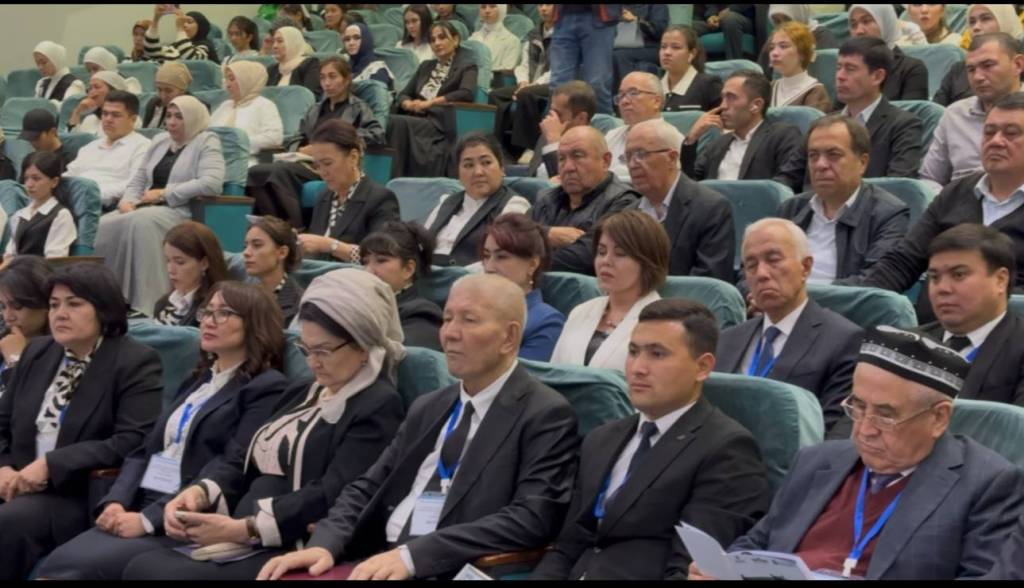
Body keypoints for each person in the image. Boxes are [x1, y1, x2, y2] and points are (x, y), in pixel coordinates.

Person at [256, 273, 579, 581]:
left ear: (509, 337)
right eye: (447, 318)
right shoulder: (430, 405)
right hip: (376, 558)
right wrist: (325, 543)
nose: (450, 333)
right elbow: (368, 485)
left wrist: (413, 556)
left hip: (445, 567)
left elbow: (530, 518)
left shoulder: (544, 413)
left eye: (469, 320)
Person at [121, 269, 406, 580]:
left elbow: (332, 492)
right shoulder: (304, 391)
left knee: (154, 572)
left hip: (293, 542)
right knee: (142, 567)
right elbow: (244, 459)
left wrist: (247, 528)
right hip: (242, 531)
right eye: (306, 350)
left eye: (323, 351)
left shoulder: (378, 404)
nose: (312, 362)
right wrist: (201, 491)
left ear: (363, 347)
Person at [692, 326, 1024, 580]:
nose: (864, 429)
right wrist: (723, 570)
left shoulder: (986, 485)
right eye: (858, 407)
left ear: (938, 418)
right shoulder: (817, 461)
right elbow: (756, 544)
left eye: (885, 415)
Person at [37, 282, 288, 580]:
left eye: (224, 313)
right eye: (207, 312)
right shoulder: (199, 381)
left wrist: (147, 520)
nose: (209, 321)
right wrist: (116, 501)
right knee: (62, 561)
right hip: (141, 501)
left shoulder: (266, 388)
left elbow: (230, 464)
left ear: (254, 323)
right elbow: (145, 449)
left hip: (184, 516)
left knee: (77, 567)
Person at [533, 298, 771, 580]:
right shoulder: (602, 438)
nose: (638, 368)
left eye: (657, 354)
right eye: (633, 352)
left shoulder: (727, 451)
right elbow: (566, 547)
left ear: (703, 367)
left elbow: (691, 568)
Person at [0, 264, 163, 580]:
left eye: (74, 304)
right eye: (54, 305)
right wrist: (3, 467)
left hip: (74, 493)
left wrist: (51, 464)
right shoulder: (38, 351)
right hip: (15, 481)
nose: (60, 314)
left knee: (8, 522)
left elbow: (132, 440)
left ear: (103, 309)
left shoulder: (134, 361)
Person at [854, 94, 1024, 314]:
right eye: (989, 132)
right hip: (933, 326)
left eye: (1012, 133)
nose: (996, 141)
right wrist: (859, 303)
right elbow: (904, 261)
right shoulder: (957, 192)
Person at [716, 218, 862, 433]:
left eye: (773, 260)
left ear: (806, 267)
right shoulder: (727, 340)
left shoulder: (843, 340)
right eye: (751, 265)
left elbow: (829, 433)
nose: (762, 274)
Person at [94, 95, 225, 314]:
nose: (171, 122)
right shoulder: (160, 141)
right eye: (169, 116)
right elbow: (139, 178)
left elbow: (211, 183)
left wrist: (165, 193)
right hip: (145, 206)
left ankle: (146, 303)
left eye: (179, 117)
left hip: (180, 209)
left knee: (141, 222)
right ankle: (110, 299)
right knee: (103, 224)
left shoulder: (206, 141)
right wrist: (127, 201)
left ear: (193, 118)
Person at [247, 58, 385, 229]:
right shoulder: (315, 109)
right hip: (305, 162)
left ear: (346, 79)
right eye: (323, 77)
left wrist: (333, 144)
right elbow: (298, 136)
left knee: (279, 172)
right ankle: (274, 225)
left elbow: (377, 133)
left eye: (332, 77)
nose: (327, 83)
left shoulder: (358, 108)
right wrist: (299, 149)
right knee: (255, 172)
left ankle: (297, 227)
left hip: (330, 163)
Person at [776, 115, 910, 284]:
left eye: (833, 155)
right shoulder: (791, 209)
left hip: (839, 302)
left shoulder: (888, 214)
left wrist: (799, 294)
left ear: (862, 163)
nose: (820, 165)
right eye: (813, 155)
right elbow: (754, 268)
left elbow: (878, 281)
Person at [915, 225, 1024, 405]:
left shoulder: (1018, 347)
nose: (942, 288)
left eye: (958, 275)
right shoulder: (908, 344)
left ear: (1000, 280)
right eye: (934, 277)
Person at [551, 210, 666, 372]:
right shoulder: (580, 311)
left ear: (647, 261)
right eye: (601, 252)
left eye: (620, 254)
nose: (606, 261)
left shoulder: (662, 323)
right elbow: (554, 374)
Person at [626, 119, 735, 282]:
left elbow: (709, 282)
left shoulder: (711, 208)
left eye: (641, 154)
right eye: (628, 156)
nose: (632, 164)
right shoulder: (628, 214)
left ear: (671, 158)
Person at [920, 33, 1024, 193]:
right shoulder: (954, 114)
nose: (978, 77)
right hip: (959, 203)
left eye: (988, 65)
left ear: (1018, 64)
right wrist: (946, 202)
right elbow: (929, 178)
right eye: (971, 69)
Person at [532, 125, 639, 275]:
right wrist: (547, 234)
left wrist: (524, 257)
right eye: (561, 158)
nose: (568, 167)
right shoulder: (546, 198)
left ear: (605, 161)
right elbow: (511, 237)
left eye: (578, 156)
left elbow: (584, 258)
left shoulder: (624, 202)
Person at [683, 70, 807, 192]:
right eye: (723, 98)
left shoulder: (782, 136)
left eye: (731, 98)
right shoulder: (717, 145)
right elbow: (688, 187)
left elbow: (784, 186)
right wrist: (691, 139)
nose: (723, 106)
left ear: (756, 105)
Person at [423, 132, 530, 266]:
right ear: (458, 173)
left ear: (502, 168)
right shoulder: (446, 202)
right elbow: (421, 245)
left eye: (486, 163)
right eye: (468, 165)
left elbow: (502, 260)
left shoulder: (513, 205)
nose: (478, 172)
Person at [297, 119, 400, 258]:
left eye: (327, 163)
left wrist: (331, 246)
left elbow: (381, 257)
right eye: (317, 166)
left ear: (353, 157)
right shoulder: (323, 197)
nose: (322, 172)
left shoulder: (381, 199)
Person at [388, 21, 479, 178]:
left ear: (455, 40)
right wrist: (408, 103)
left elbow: (466, 93)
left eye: (442, 37)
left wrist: (429, 103)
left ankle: (395, 177)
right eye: (432, 39)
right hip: (416, 115)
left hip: (438, 121)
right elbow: (404, 94)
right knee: (392, 120)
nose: (437, 43)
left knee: (396, 122)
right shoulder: (426, 66)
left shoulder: (467, 66)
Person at [480, 213, 565, 362]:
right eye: (487, 256)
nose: (489, 267)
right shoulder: (471, 308)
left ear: (532, 264)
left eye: (502, 257)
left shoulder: (547, 321)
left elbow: (522, 375)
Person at [835, 37, 924, 179]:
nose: (840, 76)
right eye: (838, 68)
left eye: (850, 69)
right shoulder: (824, 123)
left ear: (877, 76)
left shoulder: (903, 125)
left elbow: (899, 184)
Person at [360, 220, 443, 351]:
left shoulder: (422, 314)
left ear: (408, 269)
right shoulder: (361, 304)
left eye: (381, 260)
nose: (368, 271)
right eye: (365, 262)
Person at [65, 91, 153, 212]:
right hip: (72, 200)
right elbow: (69, 175)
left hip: (103, 207)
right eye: (105, 114)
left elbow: (134, 185)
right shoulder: (90, 147)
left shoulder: (142, 146)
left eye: (115, 115)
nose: (108, 119)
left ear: (133, 119)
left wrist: (90, 193)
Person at [490, 3, 554, 162]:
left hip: (552, 83)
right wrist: (523, 81)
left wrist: (533, 85)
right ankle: (499, 146)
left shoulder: (564, 35)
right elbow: (523, 64)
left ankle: (528, 147)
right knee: (496, 95)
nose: (543, 9)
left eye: (548, 5)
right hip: (530, 83)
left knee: (526, 94)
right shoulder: (533, 34)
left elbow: (558, 70)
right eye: (540, 5)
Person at [935, 4, 1024, 107]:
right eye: (972, 22)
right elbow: (937, 110)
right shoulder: (958, 69)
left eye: (986, 19)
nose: (976, 27)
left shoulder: (1018, 62)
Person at [152, 221, 229, 326]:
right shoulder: (162, 303)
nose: (170, 269)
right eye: (168, 260)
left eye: (180, 262)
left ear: (204, 263)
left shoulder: (213, 309)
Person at [3, 152, 76, 261]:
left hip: (40, 270)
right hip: (15, 269)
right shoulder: (19, 215)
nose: (29, 184)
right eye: (26, 178)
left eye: (36, 178)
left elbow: (54, 260)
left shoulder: (61, 215)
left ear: (54, 182)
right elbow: (9, 256)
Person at [548, 5, 621, 115]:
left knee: (597, 85)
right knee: (558, 85)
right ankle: (557, 125)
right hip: (563, 16)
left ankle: (603, 124)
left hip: (599, 18)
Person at [210, 61, 285, 166]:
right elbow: (208, 131)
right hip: (215, 161)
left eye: (232, 79)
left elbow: (274, 138)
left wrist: (238, 142)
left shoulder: (264, 105)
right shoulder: (225, 105)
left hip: (247, 161)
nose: (227, 85)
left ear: (247, 80)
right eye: (226, 80)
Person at [847, 4, 928, 101]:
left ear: (885, 23)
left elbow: (910, 110)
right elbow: (838, 109)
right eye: (853, 25)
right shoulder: (849, 67)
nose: (859, 31)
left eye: (866, 21)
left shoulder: (911, 69)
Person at [0, 257, 52, 399]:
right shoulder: (4, 341)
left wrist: (15, 360)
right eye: (3, 306)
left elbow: (30, 404)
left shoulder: (59, 353)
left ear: (45, 304)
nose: (8, 316)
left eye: (17, 306)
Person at [528, 80, 596, 180]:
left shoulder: (592, 147)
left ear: (581, 118)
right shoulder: (548, 134)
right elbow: (532, 178)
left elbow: (564, 182)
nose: (550, 120)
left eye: (558, 114)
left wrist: (554, 142)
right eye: (551, 113)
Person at [243, 216, 304, 326]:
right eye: (245, 246)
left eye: (257, 245)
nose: (246, 252)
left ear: (282, 253)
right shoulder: (242, 294)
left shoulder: (300, 304)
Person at [607, 71, 665, 181]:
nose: (624, 101)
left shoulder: (670, 139)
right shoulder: (611, 136)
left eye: (633, 93)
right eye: (621, 95)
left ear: (656, 101)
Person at [766, 21, 831, 112]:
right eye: (772, 48)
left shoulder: (815, 92)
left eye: (783, 46)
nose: (774, 53)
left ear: (802, 53)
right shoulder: (769, 88)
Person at [757, 5, 839, 76]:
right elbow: (761, 74)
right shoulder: (774, 39)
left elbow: (827, 73)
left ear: (799, 16)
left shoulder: (822, 36)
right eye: (777, 21)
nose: (783, 25)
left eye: (788, 20)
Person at [659, 25, 722, 113]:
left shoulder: (709, 85)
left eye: (676, 47)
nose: (667, 52)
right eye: (663, 47)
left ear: (692, 53)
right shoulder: (652, 85)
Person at [611, 5, 669, 91]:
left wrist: (636, 20)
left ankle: (628, 91)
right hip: (620, 44)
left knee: (620, 56)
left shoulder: (656, 6)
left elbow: (659, 31)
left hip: (650, 47)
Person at [66, 71, 132, 135]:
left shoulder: (127, 119)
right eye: (90, 88)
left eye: (97, 87)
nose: (92, 92)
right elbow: (72, 139)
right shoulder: (90, 120)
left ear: (114, 91)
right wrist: (77, 112)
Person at [145, 7, 219, 63]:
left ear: (200, 27)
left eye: (189, 22)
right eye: (183, 22)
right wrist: (156, 19)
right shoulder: (175, 46)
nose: (184, 25)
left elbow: (192, 62)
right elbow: (153, 53)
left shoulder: (205, 46)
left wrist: (180, 29)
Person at [266, 26, 321, 99]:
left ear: (292, 43)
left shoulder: (309, 64)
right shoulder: (272, 69)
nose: (274, 46)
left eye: (280, 41)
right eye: (274, 42)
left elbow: (311, 96)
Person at [31, 41, 85, 107]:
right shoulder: (41, 83)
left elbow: (67, 109)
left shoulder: (74, 84)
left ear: (55, 60)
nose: (40, 67)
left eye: (44, 62)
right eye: (37, 63)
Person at [343, 22, 395, 91]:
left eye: (356, 38)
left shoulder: (377, 70)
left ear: (366, 40)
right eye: (347, 39)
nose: (351, 43)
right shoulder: (344, 66)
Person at [470, 4, 521, 73]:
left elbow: (506, 71)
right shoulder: (472, 39)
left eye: (492, 6)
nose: (487, 10)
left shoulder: (512, 41)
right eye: (483, 7)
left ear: (501, 10)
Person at [142, 62, 193, 130]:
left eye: (168, 91)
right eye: (159, 90)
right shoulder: (153, 104)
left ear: (182, 91)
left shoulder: (195, 110)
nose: (163, 96)